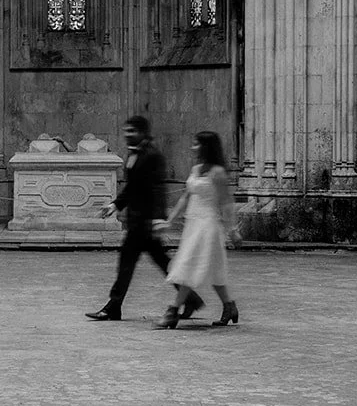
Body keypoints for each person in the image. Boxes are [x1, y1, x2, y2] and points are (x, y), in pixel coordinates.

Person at [85, 115, 203, 322]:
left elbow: (158, 188)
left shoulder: (152, 155)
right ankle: (191, 299)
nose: (127, 135)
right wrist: (115, 205)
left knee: (130, 264)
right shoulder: (135, 154)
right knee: (161, 263)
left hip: (146, 222)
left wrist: (158, 218)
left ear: (142, 132)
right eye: (125, 131)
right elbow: (133, 187)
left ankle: (114, 307)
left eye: (131, 131)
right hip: (139, 221)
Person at [153, 130, 240, 329]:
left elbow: (226, 203)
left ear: (205, 146)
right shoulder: (196, 169)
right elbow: (186, 196)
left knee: (189, 265)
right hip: (193, 224)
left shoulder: (217, 172)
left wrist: (232, 229)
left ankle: (172, 311)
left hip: (208, 225)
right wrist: (169, 220)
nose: (192, 147)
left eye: (196, 143)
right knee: (213, 270)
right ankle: (229, 306)